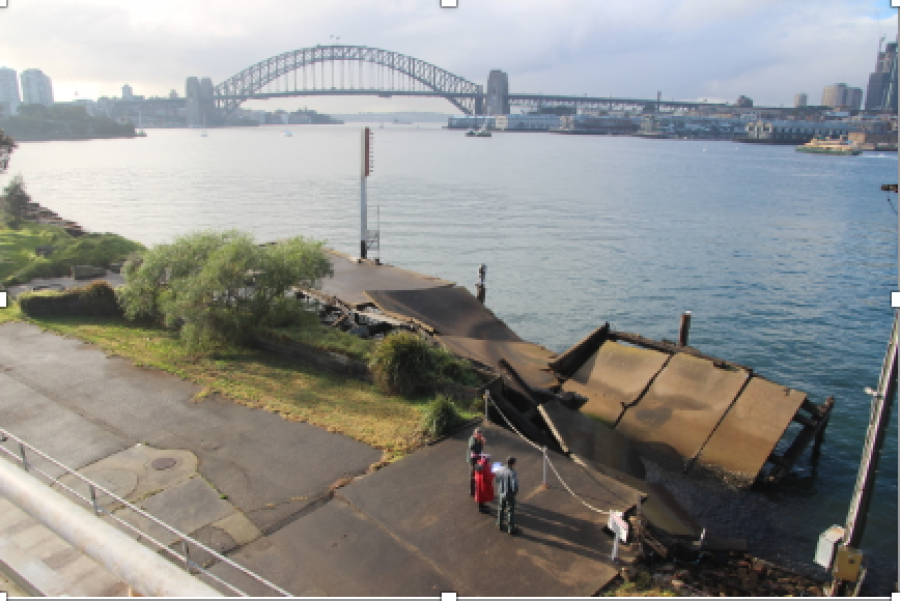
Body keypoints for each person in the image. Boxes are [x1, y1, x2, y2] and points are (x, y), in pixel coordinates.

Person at [495, 456, 519, 535]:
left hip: (501, 492)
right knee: (510, 511)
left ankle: (499, 524)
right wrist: (515, 492)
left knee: (501, 508)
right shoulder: (512, 473)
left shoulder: (500, 469)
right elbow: (514, 485)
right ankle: (511, 528)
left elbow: (497, 480)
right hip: (509, 494)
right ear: (513, 464)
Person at [467, 427, 485, 496]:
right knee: (472, 475)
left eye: (481, 435)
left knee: (477, 473)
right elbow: (472, 447)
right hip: (473, 460)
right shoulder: (472, 439)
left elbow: (480, 448)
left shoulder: (479, 439)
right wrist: (479, 441)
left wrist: (481, 442)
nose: (480, 436)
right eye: (479, 435)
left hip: (478, 458)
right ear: (475, 434)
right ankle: (472, 491)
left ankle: (476, 489)